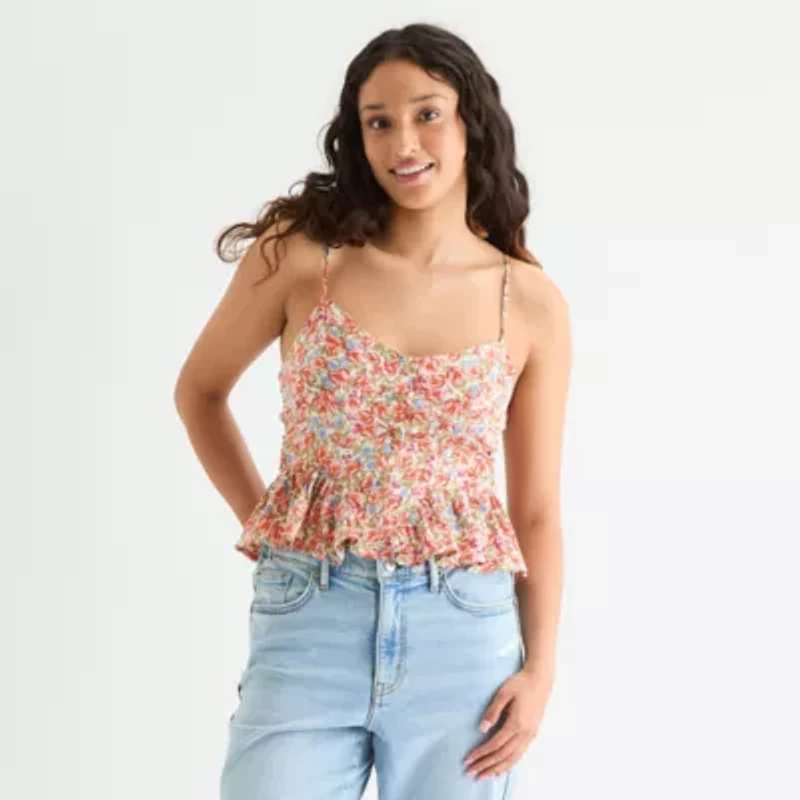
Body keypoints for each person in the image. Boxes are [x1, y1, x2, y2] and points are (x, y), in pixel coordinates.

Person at [174, 21, 571, 800]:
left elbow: (537, 510)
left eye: (427, 114)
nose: (404, 143)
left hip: (465, 631)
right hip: (308, 618)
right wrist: (267, 524)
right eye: (378, 122)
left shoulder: (527, 301)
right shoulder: (301, 256)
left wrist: (542, 668)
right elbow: (201, 392)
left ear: (471, 121)